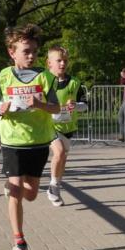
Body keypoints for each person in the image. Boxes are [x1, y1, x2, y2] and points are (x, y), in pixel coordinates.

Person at [0, 24, 61, 250]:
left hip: (38, 142)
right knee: (17, 190)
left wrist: (40, 106)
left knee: (31, 194)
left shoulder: (46, 77)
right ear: (12, 52)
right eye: (26, 51)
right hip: (12, 141)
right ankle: (19, 242)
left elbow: (56, 108)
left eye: (34, 52)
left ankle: (13, 189)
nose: (31, 56)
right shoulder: (3, 76)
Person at [45, 45, 88, 207]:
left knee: (62, 159)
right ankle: (54, 186)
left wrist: (76, 105)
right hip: (49, 126)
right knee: (59, 153)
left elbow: (86, 106)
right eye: (58, 61)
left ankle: (54, 186)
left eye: (65, 61)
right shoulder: (43, 81)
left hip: (68, 128)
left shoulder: (75, 82)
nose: (62, 64)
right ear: (49, 63)